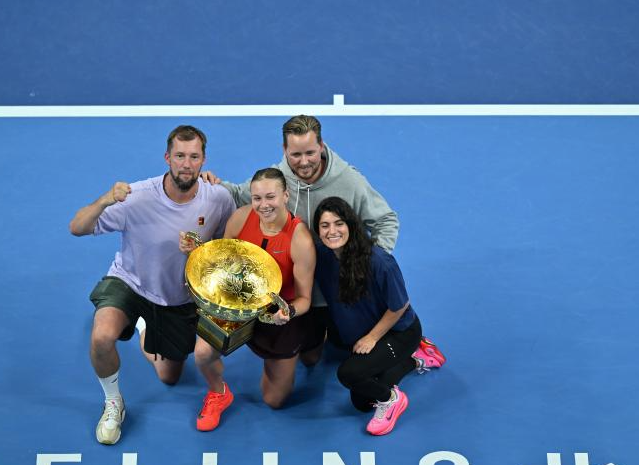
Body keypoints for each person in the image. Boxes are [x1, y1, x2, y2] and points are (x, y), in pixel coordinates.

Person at [203, 114, 445, 370]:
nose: (304, 162)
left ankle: (409, 342)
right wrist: (211, 184)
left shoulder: (349, 181)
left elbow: (386, 220)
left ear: (321, 145)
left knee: (354, 345)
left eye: (310, 152)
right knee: (312, 358)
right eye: (295, 154)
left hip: (338, 285)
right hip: (303, 286)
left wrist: (362, 266)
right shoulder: (279, 179)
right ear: (284, 150)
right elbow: (241, 194)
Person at [69, 125, 235, 445]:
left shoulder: (218, 198)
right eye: (179, 156)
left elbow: (224, 249)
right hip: (131, 283)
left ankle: (144, 327)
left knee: (169, 376)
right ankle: (113, 403)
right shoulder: (136, 197)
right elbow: (77, 227)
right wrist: (105, 199)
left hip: (178, 297)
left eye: (194, 157)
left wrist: (200, 251)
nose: (186, 164)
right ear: (167, 158)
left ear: (204, 160)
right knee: (102, 336)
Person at [184, 168, 315, 431]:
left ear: (286, 196)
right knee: (202, 354)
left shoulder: (300, 239)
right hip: (236, 305)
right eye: (257, 198)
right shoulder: (241, 217)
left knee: (274, 400)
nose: (263, 205)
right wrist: (197, 252)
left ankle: (315, 340)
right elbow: (222, 263)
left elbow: (304, 299)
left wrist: (287, 312)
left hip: (276, 315)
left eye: (270, 197)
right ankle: (219, 392)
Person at [312, 196, 422, 435]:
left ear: (351, 225)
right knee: (362, 403)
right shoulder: (322, 256)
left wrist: (372, 338)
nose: (332, 231)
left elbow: (400, 306)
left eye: (339, 223)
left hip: (398, 332)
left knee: (349, 374)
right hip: (361, 330)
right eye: (325, 225)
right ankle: (415, 359)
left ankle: (392, 400)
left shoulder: (380, 261)